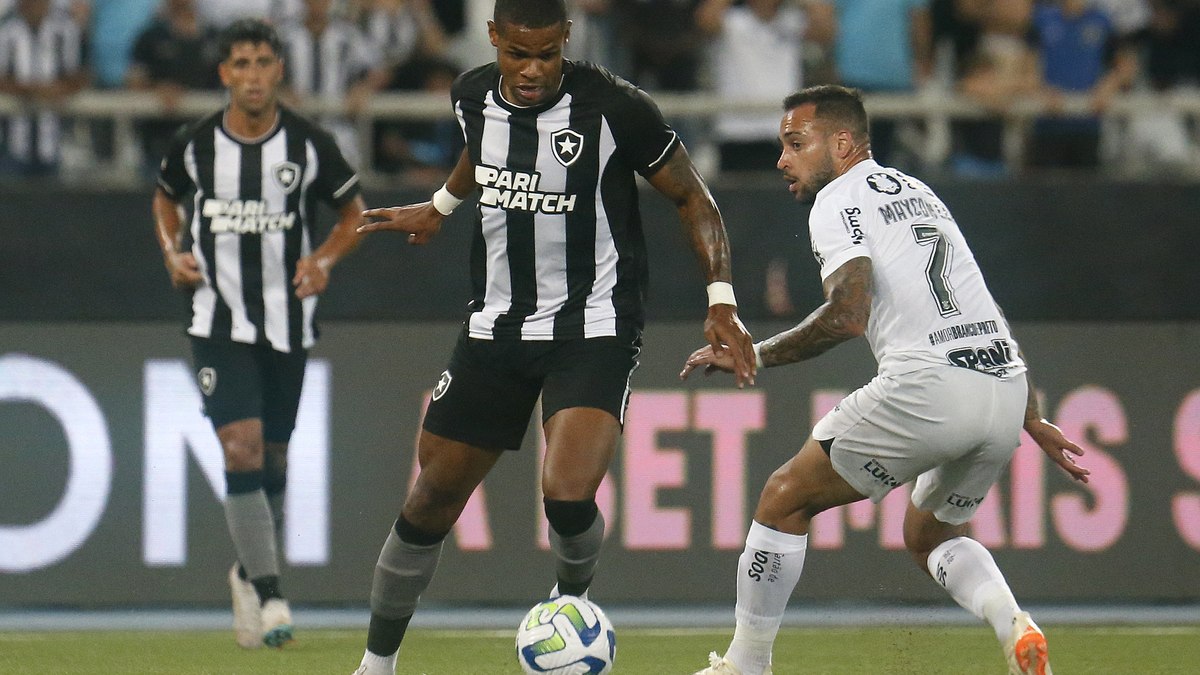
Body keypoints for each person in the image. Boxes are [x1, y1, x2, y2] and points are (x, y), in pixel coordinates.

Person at [349, 0, 755, 672]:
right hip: (496, 324)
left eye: (546, 53)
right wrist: (443, 206)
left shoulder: (617, 107)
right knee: (430, 498)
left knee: (567, 493)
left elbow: (692, 196)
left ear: (566, 39)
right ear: (494, 40)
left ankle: (569, 606)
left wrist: (721, 296)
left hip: (594, 320)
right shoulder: (471, 93)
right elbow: (482, 154)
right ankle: (376, 664)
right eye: (517, 53)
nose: (532, 69)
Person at [681, 85, 1090, 675]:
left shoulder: (836, 201)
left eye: (796, 144)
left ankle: (746, 665)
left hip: (931, 385)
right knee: (930, 536)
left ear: (842, 143)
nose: (782, 160)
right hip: (1003, 388)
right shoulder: (921, 194)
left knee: (783, 498)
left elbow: (849, 314)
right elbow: (984, 306)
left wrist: (758, 354)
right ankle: (1017, 628)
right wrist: (1029, 415)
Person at [152, 18, 365, 650]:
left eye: (262, 63)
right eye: (240, 64)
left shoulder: (308, 144)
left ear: (279, 71)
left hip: (287, 320)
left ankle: (249, 571)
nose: (251, 75)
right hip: (216, 319)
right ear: (224, 74)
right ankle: (273, 596)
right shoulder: (195, 146)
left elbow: (353, 212)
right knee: (240, 448)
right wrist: (172, 252)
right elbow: (164, 199)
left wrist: (323, 258)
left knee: (273, 458)